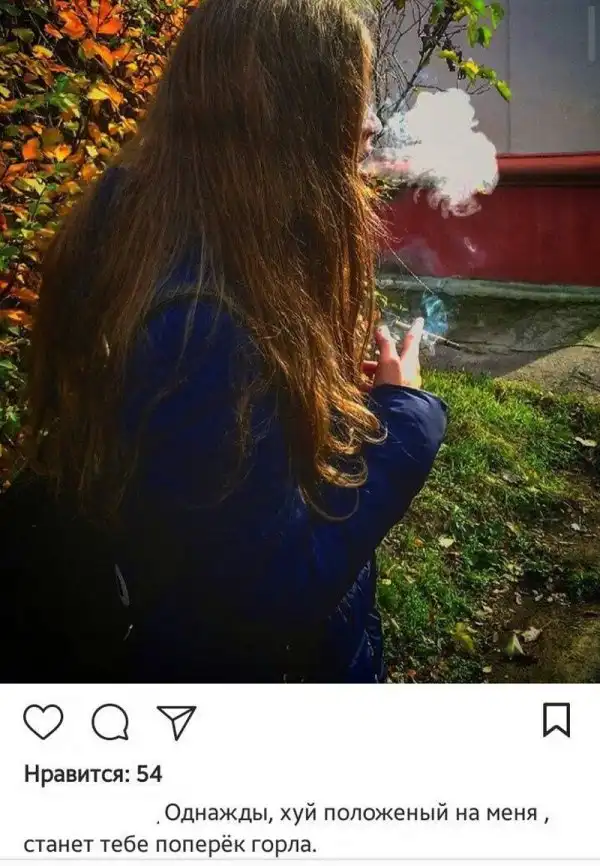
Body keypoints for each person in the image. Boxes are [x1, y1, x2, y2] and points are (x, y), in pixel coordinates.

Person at [26, 0, 447, 683]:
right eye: (356, 96)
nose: (372, 123)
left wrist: (313, 399)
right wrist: (407, 422)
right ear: (289, 114)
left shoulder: (143, 234)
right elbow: (271, 597)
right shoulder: (202, 332)